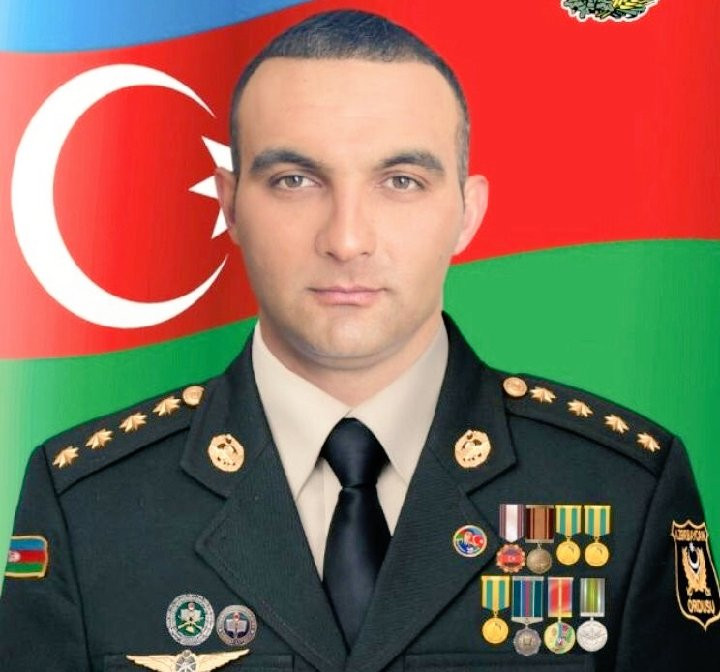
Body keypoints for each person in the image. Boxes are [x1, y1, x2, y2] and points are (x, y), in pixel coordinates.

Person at [1, 9, 718, 672]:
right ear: (230, 207)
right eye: (294, 180)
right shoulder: (89, 504)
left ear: (467, 214)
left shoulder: (624, 488)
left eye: (400, 181)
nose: (346, 239)